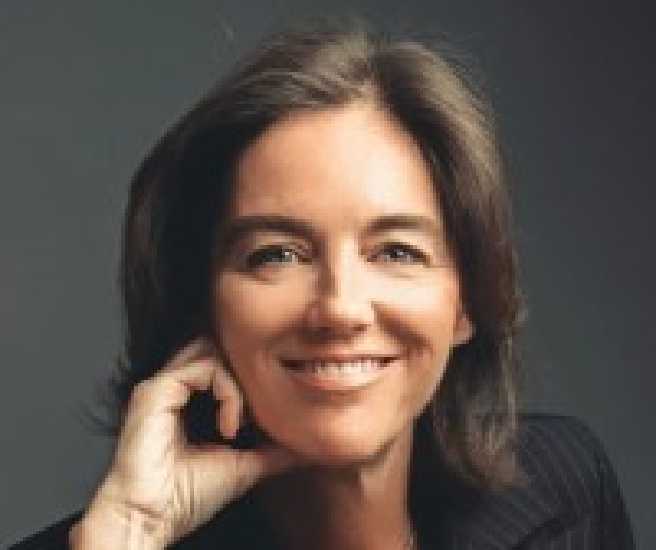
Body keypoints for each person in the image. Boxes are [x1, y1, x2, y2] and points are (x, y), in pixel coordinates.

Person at [11, 21, 634, 550]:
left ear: (467, 300)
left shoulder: (566, 488)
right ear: (200, 302)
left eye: (397, 251)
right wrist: (132, 528)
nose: (340, 308)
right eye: (277, 255)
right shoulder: (108, 539)